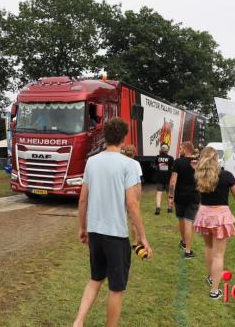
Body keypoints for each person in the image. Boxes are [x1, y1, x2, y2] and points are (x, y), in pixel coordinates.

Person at [73, 118, 152, 327]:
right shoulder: (130, 164)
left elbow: (82, 199)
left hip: (95, 232)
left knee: (95, 278)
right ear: (124, 138)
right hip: (116, 235)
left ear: (104, 137)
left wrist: (82, 227)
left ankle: (78, 322)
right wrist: (143, 237)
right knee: (116, 288)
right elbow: (132, 204)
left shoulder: (92, 161)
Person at [193, 147, 235, 299]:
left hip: (204, 214)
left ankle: (211, 277)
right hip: (220, 217)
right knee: (219, 255)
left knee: (208, 247)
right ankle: (214, 290)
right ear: (216, 158)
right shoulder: (226, 175)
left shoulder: (200, 175)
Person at [169, 141, 200, 259]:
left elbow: (173, 181)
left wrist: (170, 197)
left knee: (182, 220)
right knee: (188, 222)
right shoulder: (197, 163)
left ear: (186, 149)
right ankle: (187, 250)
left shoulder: (178, 162)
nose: (179, 149)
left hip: (180, 196)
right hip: (193, 196)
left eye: (181, 148)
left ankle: (185, 244)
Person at [122, 144, 143, 245]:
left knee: (121, 217)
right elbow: (138, 182)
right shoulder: (136, 163)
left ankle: (122, 239)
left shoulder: (120, 162)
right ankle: (135, 242)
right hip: (132, 192)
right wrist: (138, 197)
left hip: (121, 192)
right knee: (133, 219)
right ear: (134, 153)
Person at [154, 144, 174, 215]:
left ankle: (158, 208)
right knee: (170, 194)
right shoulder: (171, 158)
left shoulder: (157, 157)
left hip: (159, 178)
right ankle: (169, 209)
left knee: (159, 193)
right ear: (167, 150)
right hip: (169, 179)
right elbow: (172, 168)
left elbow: (156, 166)